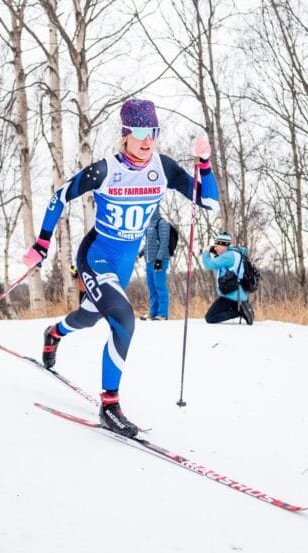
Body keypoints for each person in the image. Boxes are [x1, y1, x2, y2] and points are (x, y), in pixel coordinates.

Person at [22, 98, 219, 437]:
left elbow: (208, 201)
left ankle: (54, 333)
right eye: (140, 132)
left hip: (124, 263)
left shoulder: (163, 168)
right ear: (125, 134)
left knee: (89, 316)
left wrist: (205, 164)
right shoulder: (104, 170)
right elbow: (59, 197)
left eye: (153, 131)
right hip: (97, 256)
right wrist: (42, 243)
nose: (147, 140)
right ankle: (109, 405)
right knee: (124, 318)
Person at [201, 232, 254, 325]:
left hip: (231, 294)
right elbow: (220, 263)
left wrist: (205, 252)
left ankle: (240, 312)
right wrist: (214, 251)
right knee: (213, 315)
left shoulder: (228, 256)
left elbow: (209, 265)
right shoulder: (235, 253)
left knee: (210, 317)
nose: (215, 248)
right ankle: (242, 308)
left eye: (216, 246)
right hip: (238, 293)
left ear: (223, 246)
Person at [139, 207, 171, 320]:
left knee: (160, 287)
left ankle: (162, 314)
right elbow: (148, 244)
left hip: (159, 261)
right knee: (152, 287)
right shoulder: (149, 225)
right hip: (149, 261)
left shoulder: (162, 223)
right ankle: (153, 313)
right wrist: (140, 254)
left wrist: (159, 259)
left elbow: (164, 242)